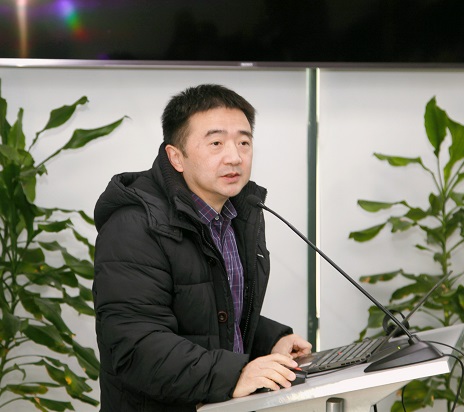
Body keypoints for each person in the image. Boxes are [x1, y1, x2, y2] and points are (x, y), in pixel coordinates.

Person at [92, 84, 312, 411]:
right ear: (176, 157)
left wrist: (271, 341)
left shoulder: (236, 215)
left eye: (244, 142)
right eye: (216, 143)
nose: (235, 156)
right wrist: (235, 374)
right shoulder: (134, 226)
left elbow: (210, 309)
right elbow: (136, 345)